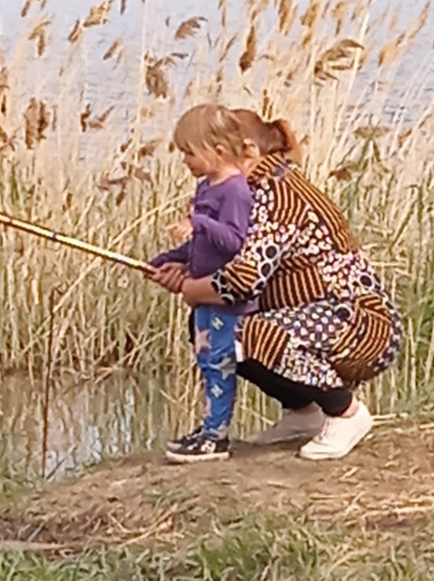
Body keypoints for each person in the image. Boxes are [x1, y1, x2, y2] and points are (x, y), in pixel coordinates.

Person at [151, 107, 402, 460]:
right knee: (209, 325)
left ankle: (345, 412)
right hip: (319, 315)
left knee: (238, 333)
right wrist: (180, 263)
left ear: (240, 150)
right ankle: (304, 413)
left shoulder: (276, 194)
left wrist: (191, 288)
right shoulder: (246, 187)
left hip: (359, 324)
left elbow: (243, 280)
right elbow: (228, 252)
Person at [148, 104, 255, 462]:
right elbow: (202, 245)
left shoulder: (236, 191)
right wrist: (172, 258)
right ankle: (210, 427)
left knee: (221, 362)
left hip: (225, 300)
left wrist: (199, 223)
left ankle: (217, 435)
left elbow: (234, 241)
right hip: (204, 300)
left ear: (218, 151)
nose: (185, 161)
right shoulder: (205, 187)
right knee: (207, 361)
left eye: (190, 153)